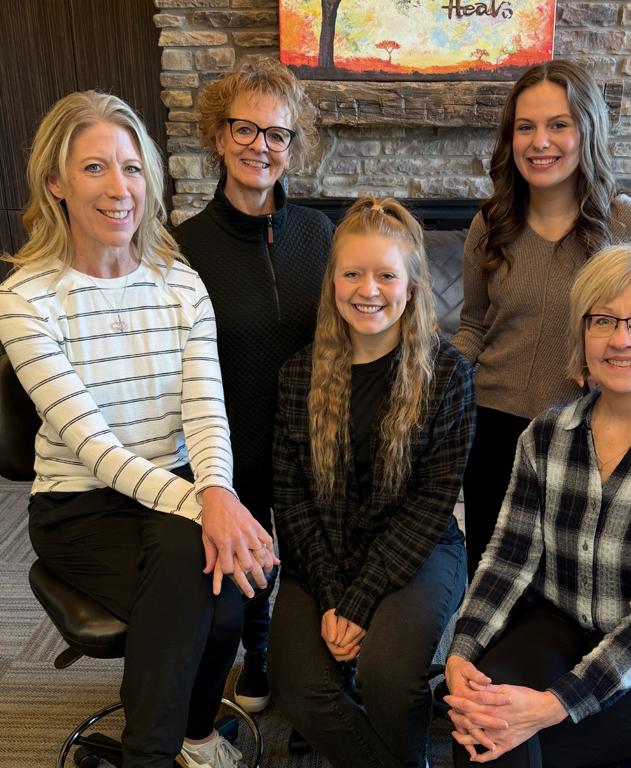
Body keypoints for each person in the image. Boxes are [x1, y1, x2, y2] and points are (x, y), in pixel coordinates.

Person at [0, 91, 277, 768]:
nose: (119, 187)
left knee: (222, 585)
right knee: (218, 596)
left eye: (131, 167)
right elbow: (91, 444)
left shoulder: (180, 284)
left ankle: (163, 747)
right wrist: (211, 507)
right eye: (94, 168)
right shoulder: (25, 298)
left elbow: (206, 409)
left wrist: (214, 488)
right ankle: (183, 744)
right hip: (80, 504)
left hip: (177, 486)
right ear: (56, 182)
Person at [444, 241, 631, 767]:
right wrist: (462, 649)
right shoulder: (547, 434)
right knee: (477, 726)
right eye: (603, 320)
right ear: (582, 333)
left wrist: (556, 704)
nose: (620, 339)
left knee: (518, 742)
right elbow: (508, 559)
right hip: (561, 621)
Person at [267, 197, 475, 768]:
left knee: (387, 676)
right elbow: (292, 502)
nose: (369, 289)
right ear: (332, 281)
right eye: (353, 273)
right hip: (324, 554)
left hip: (421, 550)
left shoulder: (449, 375)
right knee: (296, 687)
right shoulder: (297, 374)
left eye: (387, 274)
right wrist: (334, 595)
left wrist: (357, 605)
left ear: (411, 287)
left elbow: (431, 505)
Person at [451, 60, 631, 579]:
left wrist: (621, 365)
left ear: (586, 129)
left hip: (588, 430)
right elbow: (474, 326)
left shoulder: (630, 223)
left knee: (573, 580)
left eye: (558, 124)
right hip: (492, 430)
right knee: (491, 574)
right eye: (525, 127)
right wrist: (430, 373)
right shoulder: (489, 225)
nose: (539, 142)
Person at [173, 57, 334, 714]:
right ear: (217, 135)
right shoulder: (182, 248)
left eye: (277, 134)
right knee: (239, 577)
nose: (260, 147)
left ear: (293, 148)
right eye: (245, 129)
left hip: (302, 440)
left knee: (301, 557)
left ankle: (277, 654)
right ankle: (246, 650)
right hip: (224, 445)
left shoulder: (320, 235)